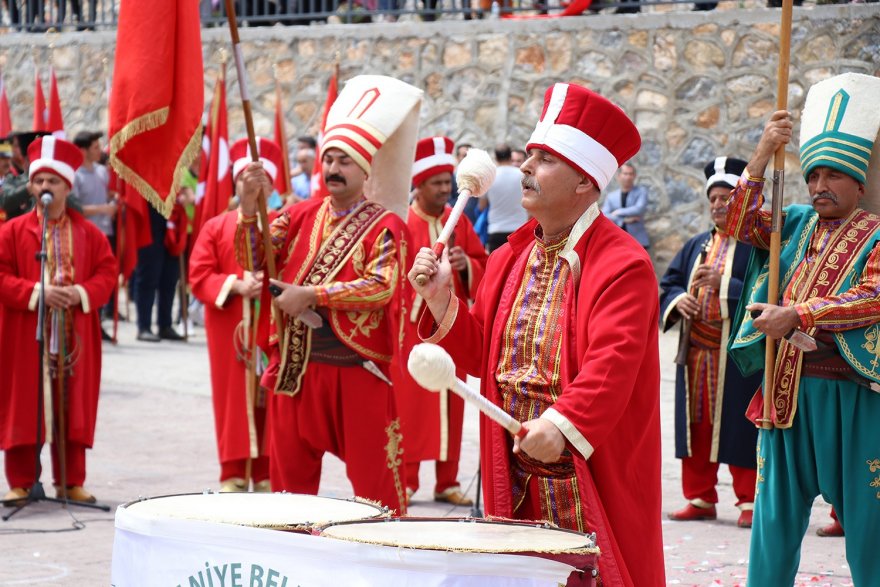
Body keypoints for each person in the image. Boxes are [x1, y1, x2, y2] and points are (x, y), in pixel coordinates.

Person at [408, 82, 665, 586]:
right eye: (529, 155)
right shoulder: (509, 257)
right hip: (514, 470)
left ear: (584, 181)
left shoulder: (623, 263)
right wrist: (441, 300)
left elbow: (612, 366)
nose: (524, 168)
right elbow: (482, 354)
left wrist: (563, 424)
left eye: (544, 159)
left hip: (585, 466)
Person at [234, 75, 422, 512]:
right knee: (289, 493)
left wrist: (313, 295)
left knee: (378, 489)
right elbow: (254, 259)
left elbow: (381, 286)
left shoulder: (386, 225)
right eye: (329, 160)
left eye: (345, 162)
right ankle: (294, 549)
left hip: (356, 370)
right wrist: (247, 207)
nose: (335, 169)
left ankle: (384, 553)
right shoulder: (296, 216)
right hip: (296, 367)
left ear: (365, 170)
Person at [725, 72, 880, 586]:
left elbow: (875, 295)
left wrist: (799, 314)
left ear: (859, 184)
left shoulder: (877, 234)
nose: (819, 186)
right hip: (785, 390)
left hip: (852, 398)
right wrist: (762, 154)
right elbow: (736, 222)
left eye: (833, 176)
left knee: (870, 529)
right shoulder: (792, 223)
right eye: (813, 176)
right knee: (772, 524)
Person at [0, 137, 115, 505]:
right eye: (38, 181)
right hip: (26, 332)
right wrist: (38, 292)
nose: (44, 187)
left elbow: (107, 273)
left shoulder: (90, 234)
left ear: (67, 186)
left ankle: (70, 481)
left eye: (53, 181)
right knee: (24, 403)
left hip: (73, 332)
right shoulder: (11, 232)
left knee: (72, 404)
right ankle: (21, 481)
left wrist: (80, 293)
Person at [660, 156, 762, 529]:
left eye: (726, 198)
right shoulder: (695, 245)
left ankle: (749, 500)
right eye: (713, 199)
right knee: (697, 426)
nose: (718, 205)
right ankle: (700, 497)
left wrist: (726, 286)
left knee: (739, 426)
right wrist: (678, 301)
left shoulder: (756, 247)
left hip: (736, 357)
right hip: (697, 354)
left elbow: (768, 290)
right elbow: (669, 282)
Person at [397, 136, 488, 507]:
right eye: (435, 183)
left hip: (450, 325)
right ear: (418, 184)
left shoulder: (458, 220)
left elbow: (483, 263)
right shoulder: (402, 222)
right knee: (412, 405)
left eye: (446, 182)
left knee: (453, 399)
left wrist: (467, 267)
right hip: (411, 329)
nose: (443, 189)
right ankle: (407, 481)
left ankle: (447, 481)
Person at [189, 138, 283, 493]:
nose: (255, 187)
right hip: (231, 325)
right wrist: (235, 284)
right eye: (247, 179)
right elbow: (199, 274)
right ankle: (233, 472)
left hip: (272, 325)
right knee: (232, 398)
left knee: (271, 397)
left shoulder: (284, 224)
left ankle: (267, 471)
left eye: (261, 181)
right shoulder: (216, 226)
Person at [481, 143, 527, 252]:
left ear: (496, 158)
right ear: (510, 157)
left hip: (496, 230)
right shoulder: (523, 176)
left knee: (497, 262)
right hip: (519, 229)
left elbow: (481, 206)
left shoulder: (489, 177)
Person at [601, 163, 650, 250]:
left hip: (638, 240)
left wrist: (618, 212)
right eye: (625, 173)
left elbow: (639, 209)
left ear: (634, 176)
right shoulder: (611, 196)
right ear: (619, 176)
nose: (628, 177)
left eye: (631, 174)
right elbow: (604, 215)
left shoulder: (641, 192)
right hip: (617, 241)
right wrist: (623, 220)